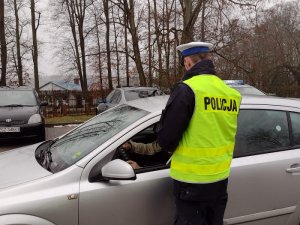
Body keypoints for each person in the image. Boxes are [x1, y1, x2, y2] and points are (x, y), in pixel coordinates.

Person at [158, 42, 241, 225]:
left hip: (191, 182)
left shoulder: (187, 89)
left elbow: (166, 139)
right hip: (220, 180)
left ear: (187, 62)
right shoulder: (231, 93)